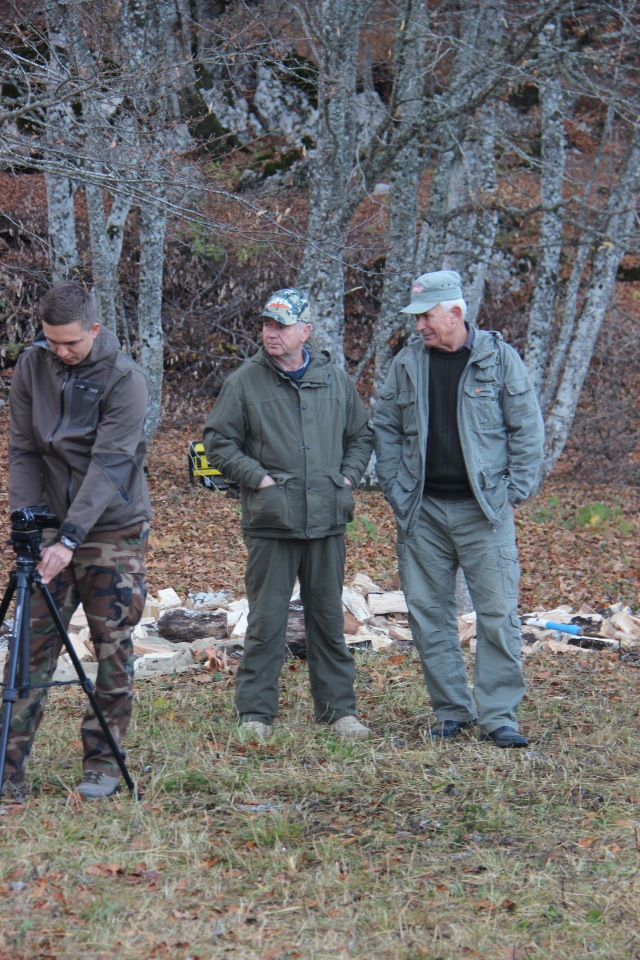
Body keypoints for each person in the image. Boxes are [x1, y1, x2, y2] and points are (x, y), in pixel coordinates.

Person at [372, 270, 544, 748]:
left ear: (454, 312)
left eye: (426, 316)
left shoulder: (499, 359)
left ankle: (499, 717)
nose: (419, 326)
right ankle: (451, 711)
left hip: (483, 512)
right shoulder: (408, 362)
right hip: (422, 512)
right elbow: (385, 427)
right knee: (429, 615)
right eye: (417, 318)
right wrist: (396, 488)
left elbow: (527, 428)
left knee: (497, 615)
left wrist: (513, 492)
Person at [2, 282, 151, 800]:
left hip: (112, 525)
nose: (61, 352)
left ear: (94, 329)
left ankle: (103, 764)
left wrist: (69, 538)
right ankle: (7, 767)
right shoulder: (32, 365)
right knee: (29, 646)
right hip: (51, 523)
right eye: (52, 341)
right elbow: (23, 449)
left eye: (71, 343)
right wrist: (27, 521)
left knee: (112, 643)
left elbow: (110, 465)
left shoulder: (125, 380)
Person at [203, 288, 373, 741]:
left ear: (305, 331)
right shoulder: (245, 382)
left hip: (327, 521)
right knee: (266, 622)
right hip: (271, 522)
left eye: (281, 326)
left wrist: (347, 478)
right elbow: (218, 443)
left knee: (328, 621)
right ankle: (255, 714)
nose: (271, 333)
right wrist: (258, 479)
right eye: (267, 324)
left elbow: (361, 436)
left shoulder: (335, 381)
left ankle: (339, 713)